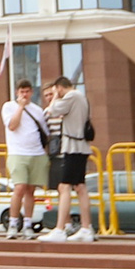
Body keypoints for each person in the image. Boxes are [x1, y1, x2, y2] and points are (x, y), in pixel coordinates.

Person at [44, 75, 94, 241]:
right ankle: (86, 228)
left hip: (73, 147)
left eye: (55, 90)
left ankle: (60, 229)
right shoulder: (82, 96)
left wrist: (55, 97)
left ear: (59, 87)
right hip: (81, 147)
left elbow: (52, 111)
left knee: (64, 187)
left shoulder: (71, 96)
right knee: (80, 187)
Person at [1, 80, 49, 238]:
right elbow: (12, 126)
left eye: (27, 91)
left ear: (31, 92)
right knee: (19, 187)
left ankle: (28, 224)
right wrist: (21, 107)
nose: (24, 94)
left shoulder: (37, 110)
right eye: (22, 91)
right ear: (17, 92)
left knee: (31, 190)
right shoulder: (8, 107)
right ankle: (13, 224)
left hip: (36, 153)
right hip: (17, 153)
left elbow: (45, 131)